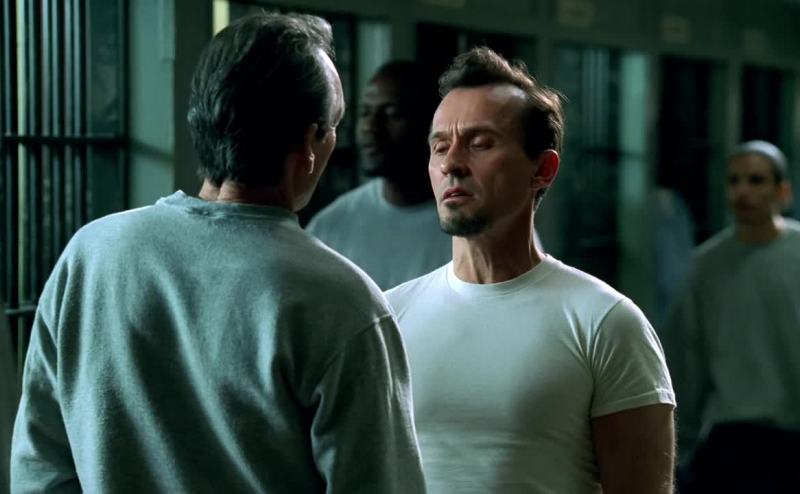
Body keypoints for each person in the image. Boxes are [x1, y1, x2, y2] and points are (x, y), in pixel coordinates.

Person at [11, 12, 424, 493]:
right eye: (333, 126)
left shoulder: (92, 254)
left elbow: (40, 466)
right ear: (309, 144)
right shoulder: (342, 303)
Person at [386, 47, 676, 493]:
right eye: (440, 146)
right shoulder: (391, 316)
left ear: (542, 169)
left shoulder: (603, 322)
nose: (452, 163)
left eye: (480, 144)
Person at [665, 140, 800, 493]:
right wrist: (681, 444)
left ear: (782, 191)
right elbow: (688, 357)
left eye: (756, 181)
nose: (743, 191)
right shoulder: (706, 266)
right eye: (734, 181)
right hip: (732, 436)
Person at [306, 61, 453, 289]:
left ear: (431, 124)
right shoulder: (330, 227)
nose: (370, 126)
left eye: (391, 113)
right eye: (364, 112)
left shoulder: (467, 225)